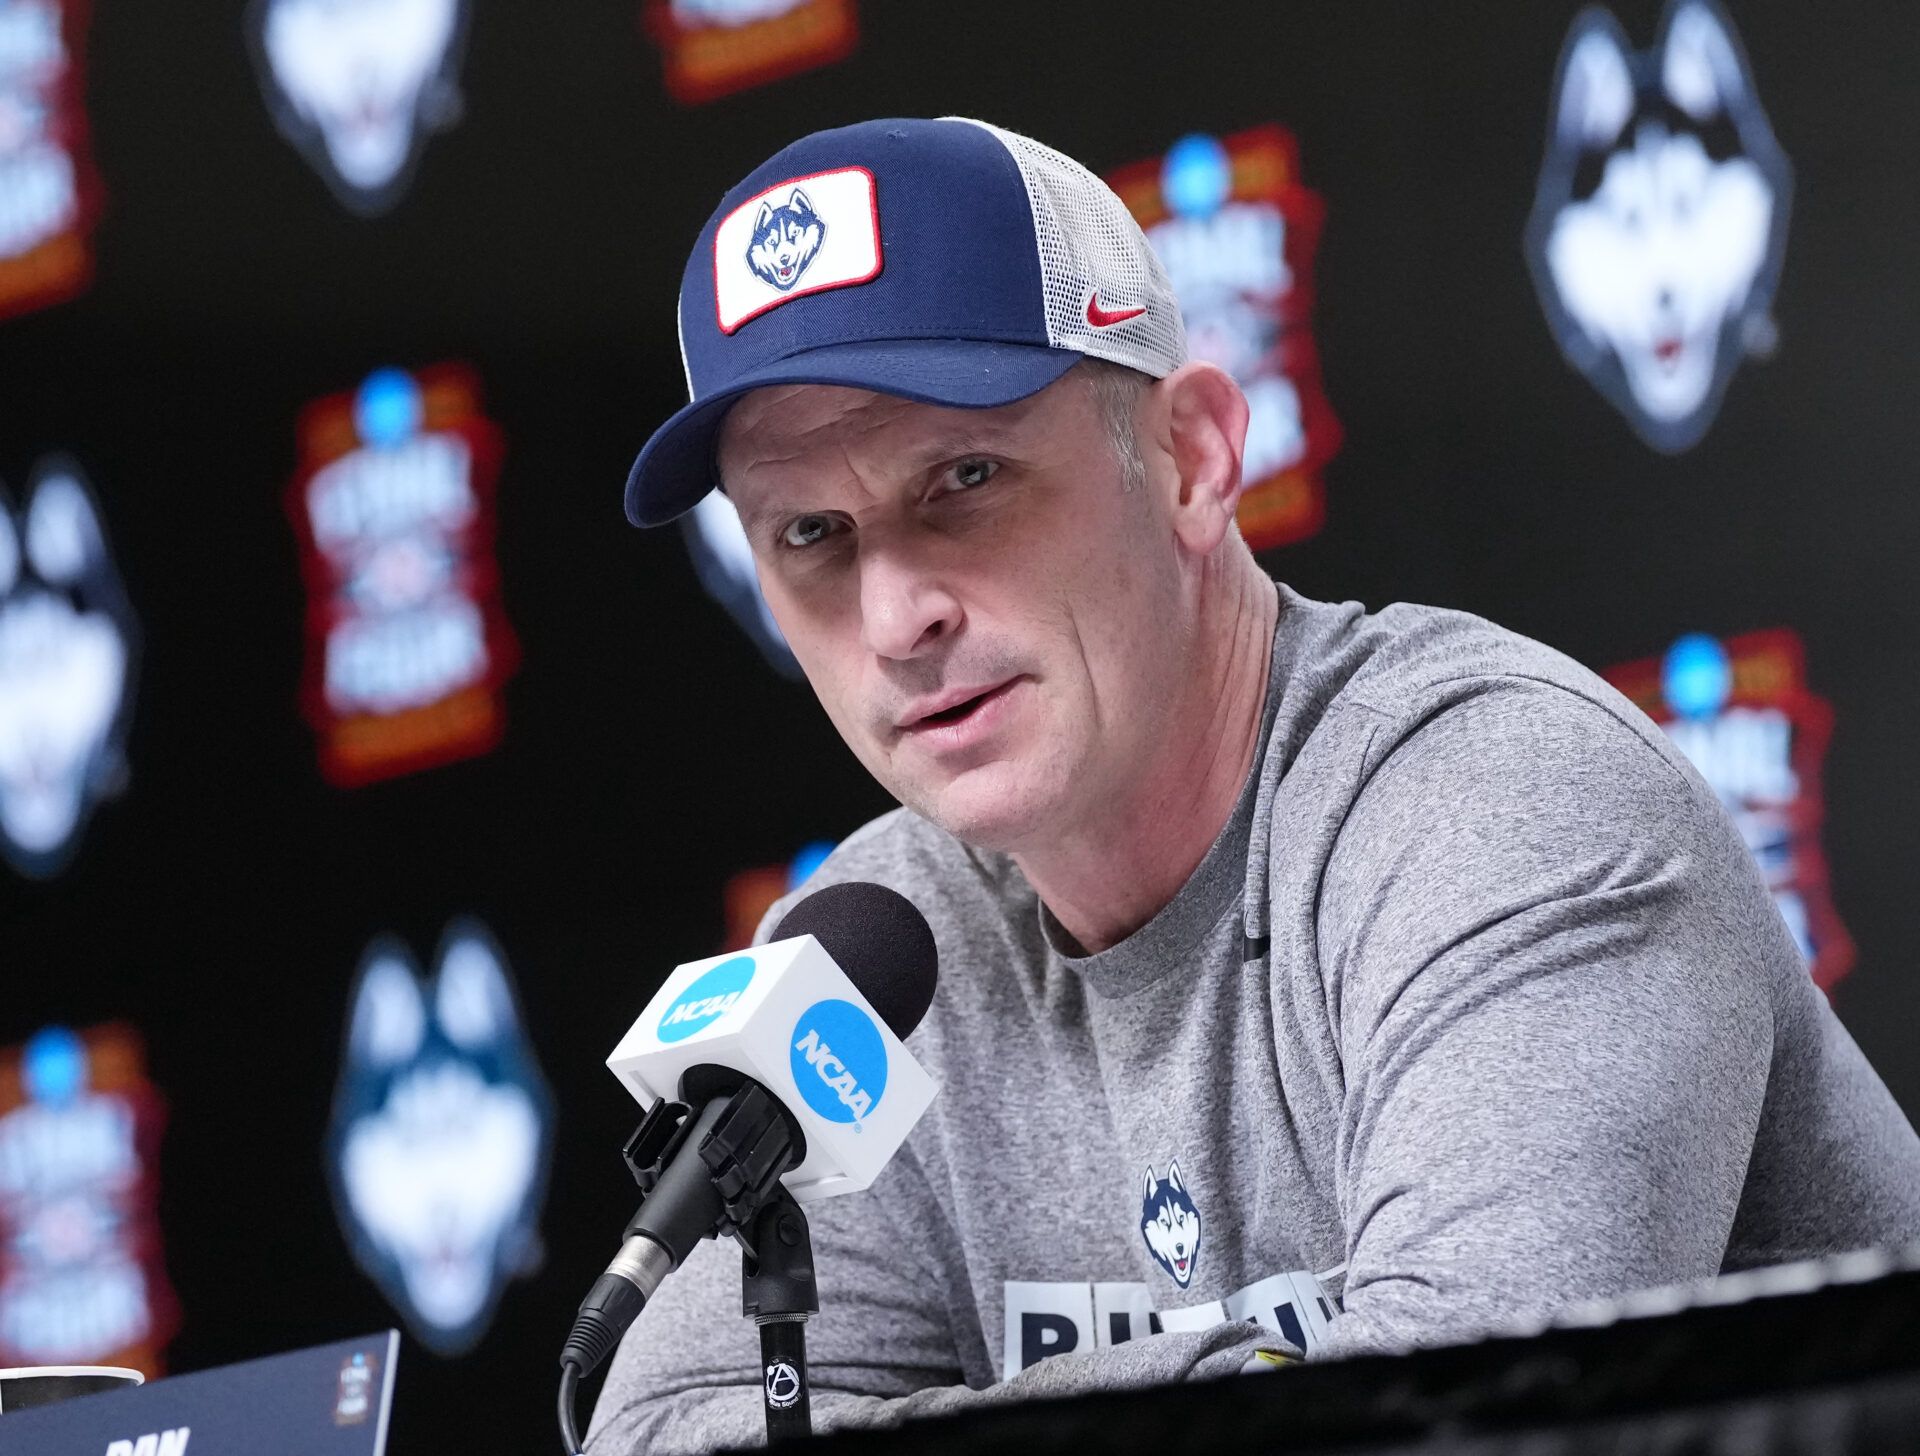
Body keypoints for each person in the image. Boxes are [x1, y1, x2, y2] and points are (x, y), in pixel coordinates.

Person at [588, 117, 1920, 1453]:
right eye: (811, 534)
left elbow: (1473, 1428)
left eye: (966, 480)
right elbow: (664, 1432)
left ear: (1194, 458)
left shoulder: (1505, 808)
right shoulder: (870, 953)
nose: (894, 617)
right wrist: (1296, 1374)